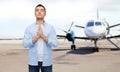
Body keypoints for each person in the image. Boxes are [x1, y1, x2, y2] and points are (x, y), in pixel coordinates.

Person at [23, 4, 58, 72]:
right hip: (33, 62)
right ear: (34, 13)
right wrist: (36, 37)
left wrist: (43, 36)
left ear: (45, 13)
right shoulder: (29, 28)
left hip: (47, 61)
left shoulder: (50, 28)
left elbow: (55, 43)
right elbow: (24, 44)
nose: (39, 12)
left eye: (42, 10)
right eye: (37, 10)